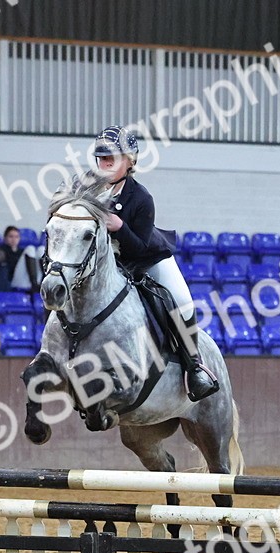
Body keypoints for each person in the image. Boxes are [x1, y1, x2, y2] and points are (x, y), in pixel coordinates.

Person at [90, 125, 218, 402]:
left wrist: (120, 226)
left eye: (112, 157)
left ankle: (194, 367)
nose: (105, 163)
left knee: (182, 300)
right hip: (106, 266)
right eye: (102, 158)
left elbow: (138, 247)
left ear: (130, 161)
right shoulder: (88, 190)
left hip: (146, 259)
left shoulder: (141, 198)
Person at [2, 226, 41, 291]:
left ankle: (42, 283)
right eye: (11, 236)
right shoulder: (1, 251)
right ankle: (34, 284)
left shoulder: (21, 251)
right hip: (14, 281)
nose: (14, 239)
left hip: (28, 280)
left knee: (41, 249)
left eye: (16, 237)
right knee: (30, 249)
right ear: (5, 238)